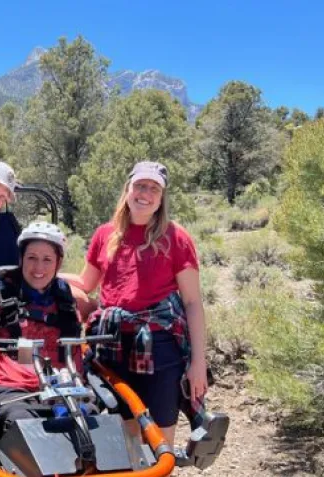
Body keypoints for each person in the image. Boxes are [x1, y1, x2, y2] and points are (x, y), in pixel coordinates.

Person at [62, 161, 208, 446]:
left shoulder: (176, 237)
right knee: (124, 433)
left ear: (161, 198)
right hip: (111, 345)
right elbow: (86, 283)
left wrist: (198, 363)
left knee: (160, 436)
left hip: (160, 348)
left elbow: (192, 302)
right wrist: (45, 274)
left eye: (154, 188)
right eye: (140, 185)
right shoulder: (106, 234)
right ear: (128, 189)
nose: (145, 193)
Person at [0, 222, 84, 434]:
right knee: (24, 426)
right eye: (32, 258)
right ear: (21, 259)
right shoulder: (0, 291)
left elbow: (98, 309)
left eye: (47, 259)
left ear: (58, 263)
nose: (38, 267)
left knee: (96, 423)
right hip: (9, 386)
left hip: (61, 385)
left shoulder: (67, 297)